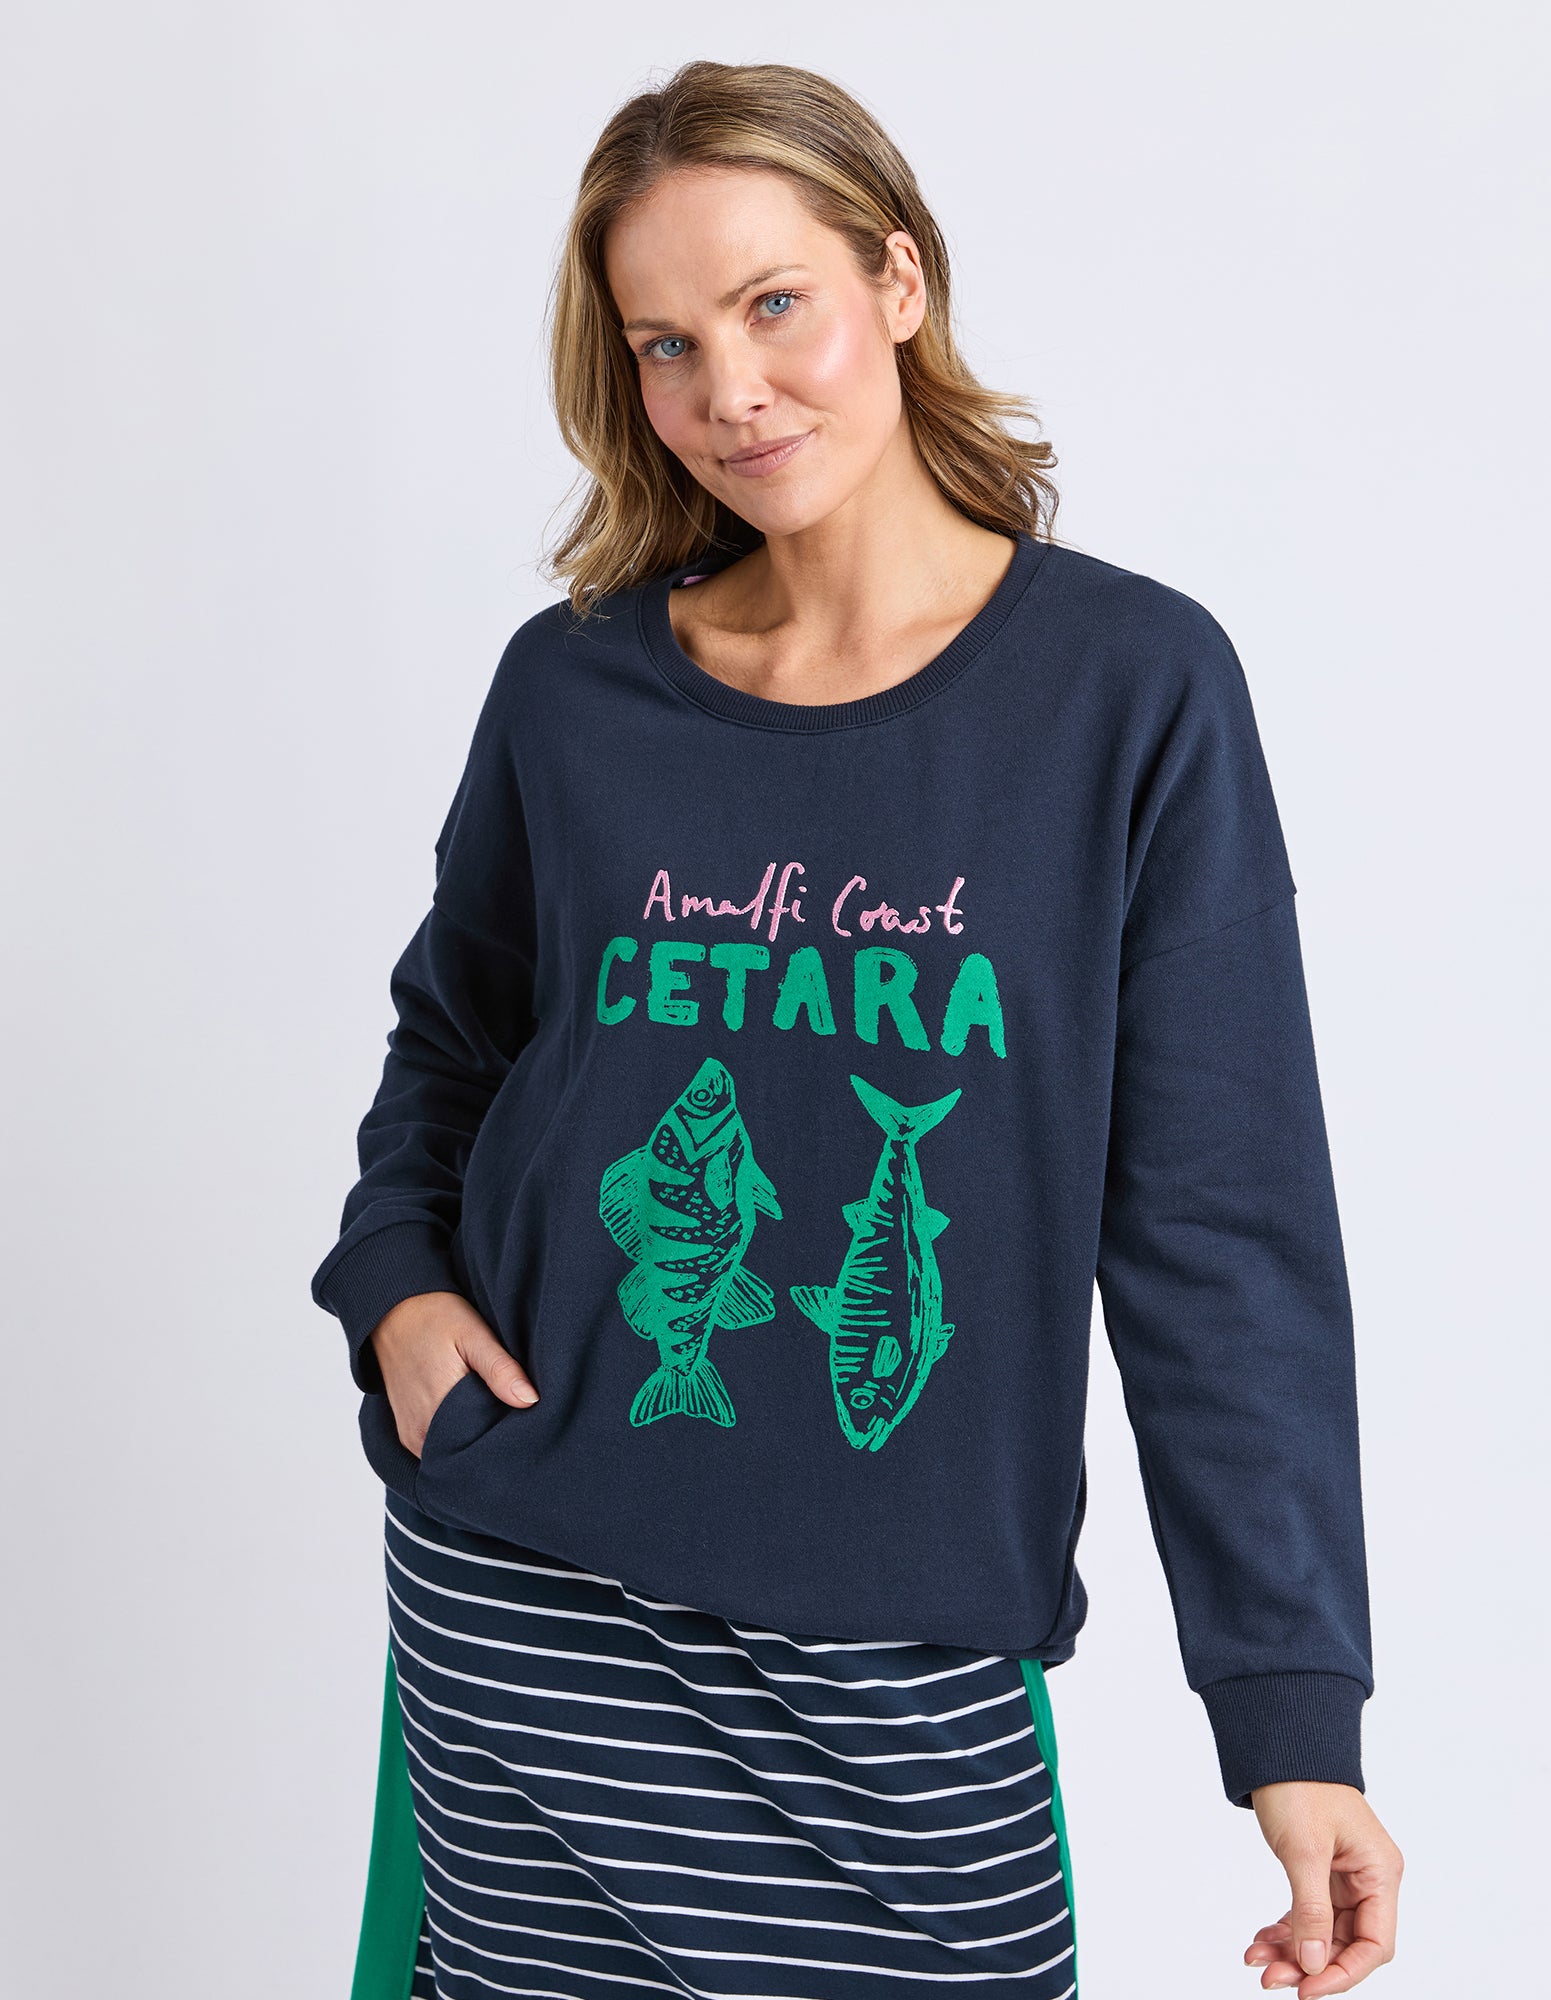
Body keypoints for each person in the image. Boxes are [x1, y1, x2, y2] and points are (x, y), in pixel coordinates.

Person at [311, 58, 1403, 2000]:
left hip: (899, 1675)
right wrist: (398, 1287)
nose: (726, 388)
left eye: (772, 304)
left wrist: (1290, 1712)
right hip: (527, 1617)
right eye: (664, 343)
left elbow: (1217, 1233)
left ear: (897, 280)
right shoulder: (574, 691)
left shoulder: (1129, 693)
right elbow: (452, 1047)